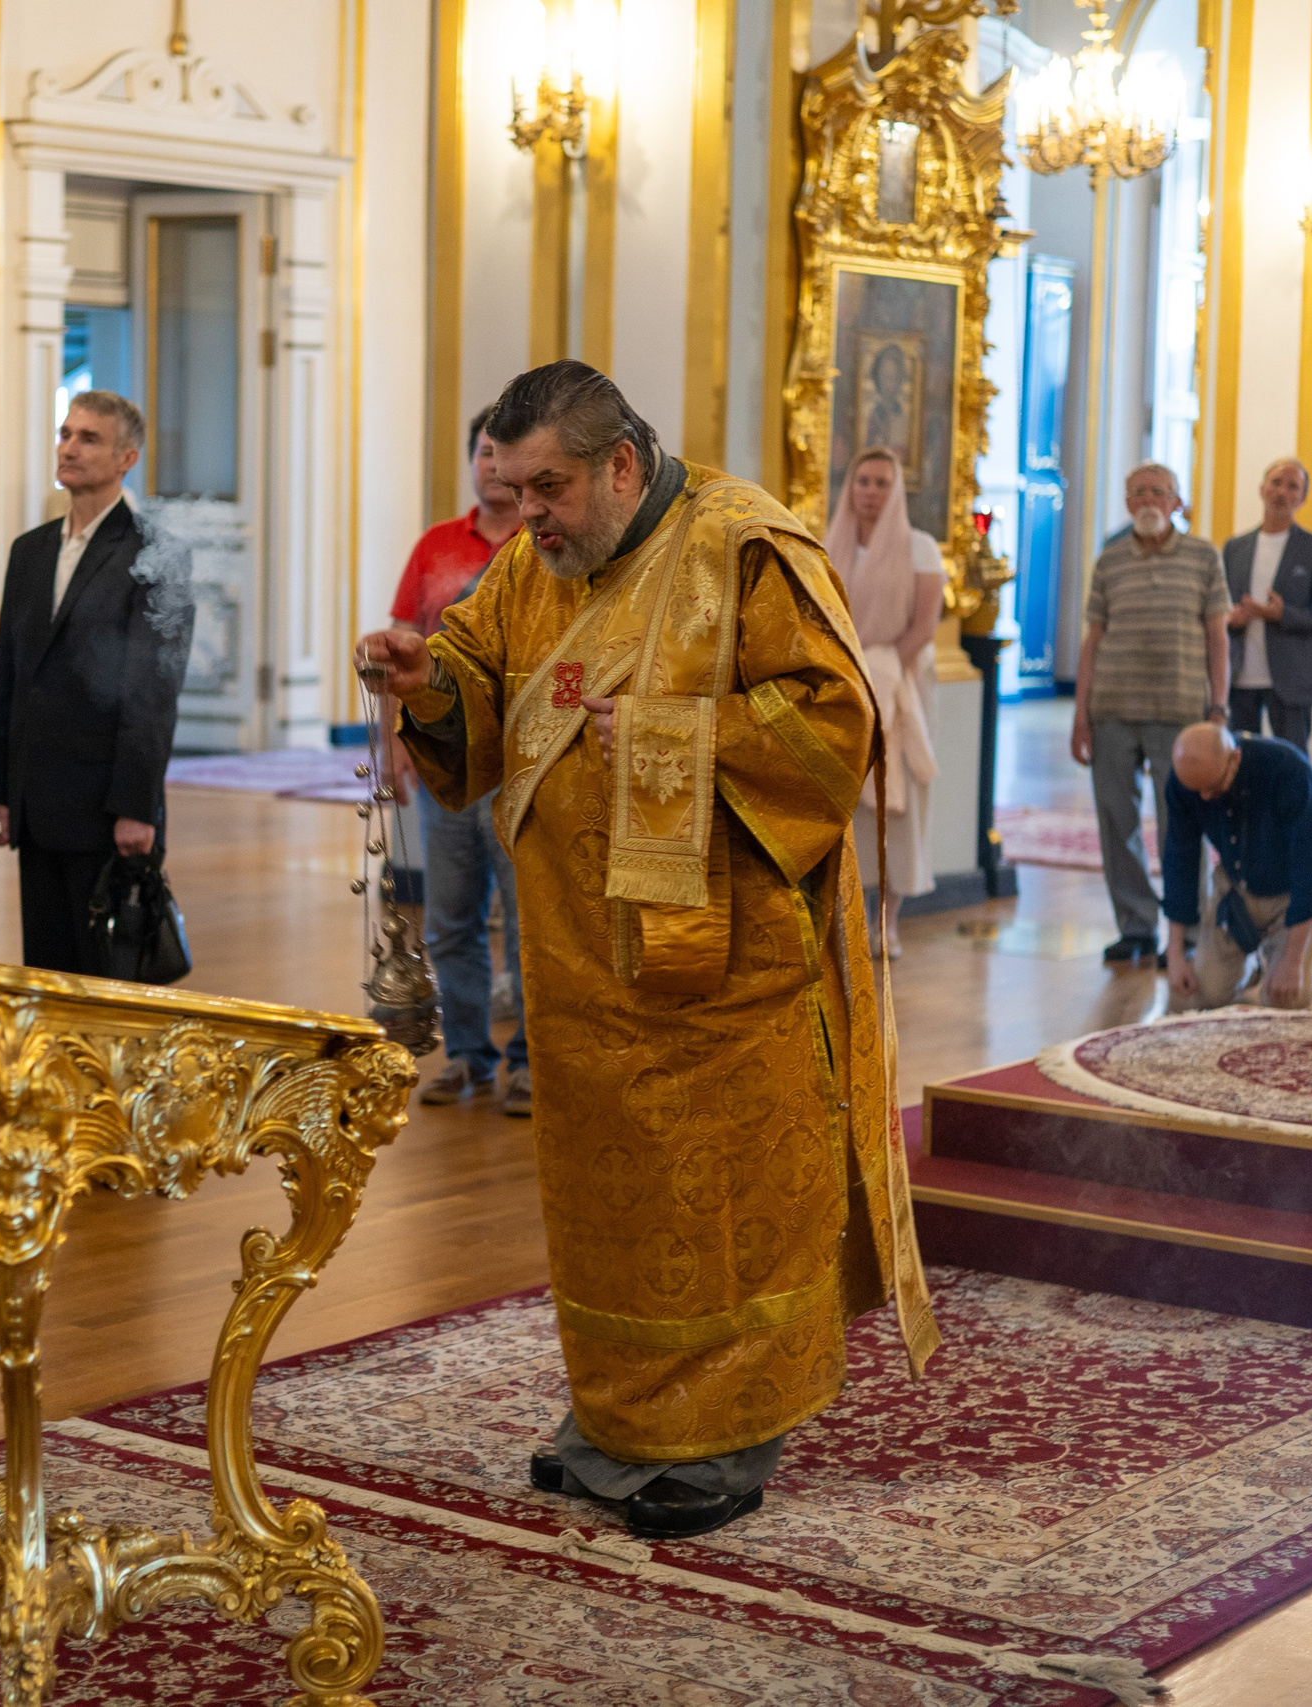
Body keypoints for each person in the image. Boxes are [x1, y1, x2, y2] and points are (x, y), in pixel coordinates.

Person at [358, 360, 937, 1542]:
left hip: (721, 975)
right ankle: (616, 1419)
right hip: (575, 968)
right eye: (514, 494)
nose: (528, 520)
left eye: (551, 490)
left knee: (714, 1205)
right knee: (608, 1209)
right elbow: (478, 676)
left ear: (621, 464)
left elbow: (838, 722)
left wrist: (688, 731)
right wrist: (426, 684)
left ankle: (725, 1433)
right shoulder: (537, 562)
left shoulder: (743, 549)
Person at [0, 393, 195, 972]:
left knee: (109, 981)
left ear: (127, 458)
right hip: (38, 801)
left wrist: (136, 807)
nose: (68, 448)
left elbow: (153, 695)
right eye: (65, 434)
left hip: (106, 806)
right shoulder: (30, 551)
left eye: (88, 438)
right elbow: (8, 673)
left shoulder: (159, 555)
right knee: (47, 974)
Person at [387, 407, 530, 1115]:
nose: (489, 466)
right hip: (446, 764)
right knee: (448, 920)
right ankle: (468, 1056)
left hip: (518, 767)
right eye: (481, 452)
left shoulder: (545, 544)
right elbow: (402, 640)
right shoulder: (438, 545)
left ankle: (529, 1063)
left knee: (525, 919)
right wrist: (393, 741)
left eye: (500, 454)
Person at [1071, 462, 1231, 964]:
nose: (1148, 501)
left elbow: (1218, 636)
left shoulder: (1204, 557)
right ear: (1125, 503)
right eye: (1137, 492)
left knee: (1180, 824)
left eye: (1159, 493)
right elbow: (1092, 640)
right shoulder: (1110, 560)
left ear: (1176, 503)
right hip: (1112, 710)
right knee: (1116, 821)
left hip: (1181, 712)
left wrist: (1219, 709)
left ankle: (1185, 934)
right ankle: (1136, 926)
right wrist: (1081, 714)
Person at [823, 446, 942, 959]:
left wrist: (883, 666)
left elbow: (925, 624)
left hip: (900, 681)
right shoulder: (829, 546)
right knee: (844, 802)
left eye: (881, 484)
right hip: (844, 682)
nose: (870, 493)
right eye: (863, 482)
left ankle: (886, 921)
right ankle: (842, 915)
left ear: (896, 492)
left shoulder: (920, 548)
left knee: (897, 801)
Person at [1160, 722, 1312, 1011]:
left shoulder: (1289, 771)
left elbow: (1310, 869)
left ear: (1235, 759)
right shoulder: (1186, 782)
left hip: (1296, 887)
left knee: (1285, 999)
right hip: (1238, 884)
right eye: (1197, 790)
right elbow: (1179, 862)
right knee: (1194, 996)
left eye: (1212, 788)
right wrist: (1175, 954)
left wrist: (1293, 962)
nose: (1204, 797)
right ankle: (1255, 966)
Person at [1221, 458, 1312, 747]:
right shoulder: (1234, 547)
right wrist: (1230, 618)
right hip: (1240, 676)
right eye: (1276, 482)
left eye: (1293, 487)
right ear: (1262, 489)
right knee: (1240, 763)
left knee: (1292, 763)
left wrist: (1282, 614)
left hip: (1292, 679)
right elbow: (1221, 605)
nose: (1282, 492)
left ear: (1302, 499)